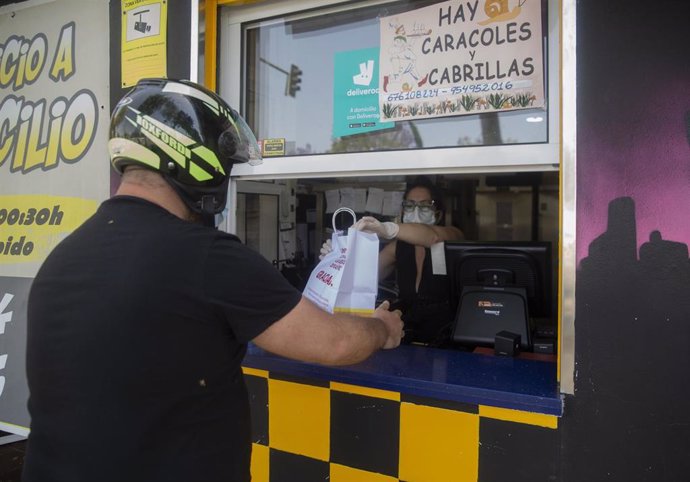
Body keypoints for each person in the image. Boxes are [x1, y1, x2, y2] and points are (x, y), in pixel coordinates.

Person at [22, 79, 403, 482]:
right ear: (194, 159)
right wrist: (381, 328)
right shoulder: (208, 256)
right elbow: (334, 343)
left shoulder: (61, 258)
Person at [321, 177, 463, 345]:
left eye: (425, 205)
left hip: (447, 336)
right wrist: (336, 259)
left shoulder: (452, 234)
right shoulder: (398, 247)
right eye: (409, 205)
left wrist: (387, 229)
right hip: (407, 334)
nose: (416, 211)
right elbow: (364, 278)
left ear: (438, 212)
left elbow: (432, 236)